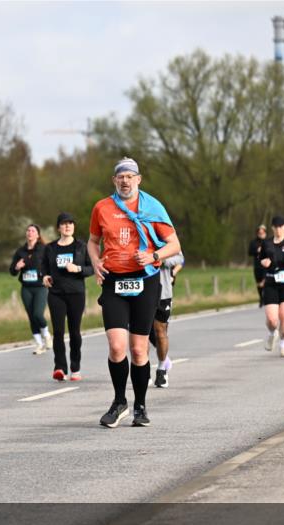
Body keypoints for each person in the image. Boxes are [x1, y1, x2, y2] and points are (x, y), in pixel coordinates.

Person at [88, 157, 181, 428]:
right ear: (114, 180)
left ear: (138, 179)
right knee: (117, 346)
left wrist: (154, 254)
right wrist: (95, 262)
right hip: (114, 281)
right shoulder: (102, 208)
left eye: (130, 176)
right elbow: (94, 242)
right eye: (121, 177)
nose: (125, 181)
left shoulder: (153, 207)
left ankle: (140, 405)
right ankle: (119, 402)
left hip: (145, 281)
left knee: (139, 350)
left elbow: (174, 245)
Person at [41, 212, 93, 381]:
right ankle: (60, 368)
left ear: (74, 227)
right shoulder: (50, 248)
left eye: (70, 223)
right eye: (64, 224)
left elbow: (91, 268)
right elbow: (43, 268)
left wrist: (77, 269)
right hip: (56, 294)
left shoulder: (81, 246)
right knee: (58, 332)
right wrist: (45, 277)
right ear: (58, 228)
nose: (67, 226)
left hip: (76, 293)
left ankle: (75, 367)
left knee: (74, 332)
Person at [258, 216, 284, 357]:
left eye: (281, 226)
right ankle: (272, 333)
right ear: (272, 228)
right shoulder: (267, 243)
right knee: (272, 319)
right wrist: (263, 262)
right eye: (276, 226)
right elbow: (261, 258)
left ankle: (283, 346)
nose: (278, 229)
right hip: (271, 282)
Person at [10, 224, 49, 354]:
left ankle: (47, 335)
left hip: (40, 287)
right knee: (31, 317)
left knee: (38, 314)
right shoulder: (20, 251)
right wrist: (17, 267)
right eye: (28, 230)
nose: (30, 232)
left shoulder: (43, 249)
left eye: (33, 231)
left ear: (38, 235)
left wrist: (46, 275)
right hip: (26, 288)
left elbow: (48, 265)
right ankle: (39, 344)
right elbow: (12, 271)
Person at [148, 251, 185, 387]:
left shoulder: (164, 233)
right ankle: (143, 370)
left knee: (160, 331)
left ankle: (162, 369)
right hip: (141, 291)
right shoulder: (137, 232)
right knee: (142, 333)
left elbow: (180, 258)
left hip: (163, 291)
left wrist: (160, 258)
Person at [247, 225, 268, 307]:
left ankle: (266, 297)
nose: (261, 234)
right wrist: (256, 251)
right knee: (259, 283)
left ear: (265, 233)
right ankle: (261, 298)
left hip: (266, 265)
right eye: (259, 233)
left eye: (262, 233)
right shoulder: (253, 242)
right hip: (257, 265)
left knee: (265, 282)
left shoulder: (268, 241)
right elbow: (249, 252)